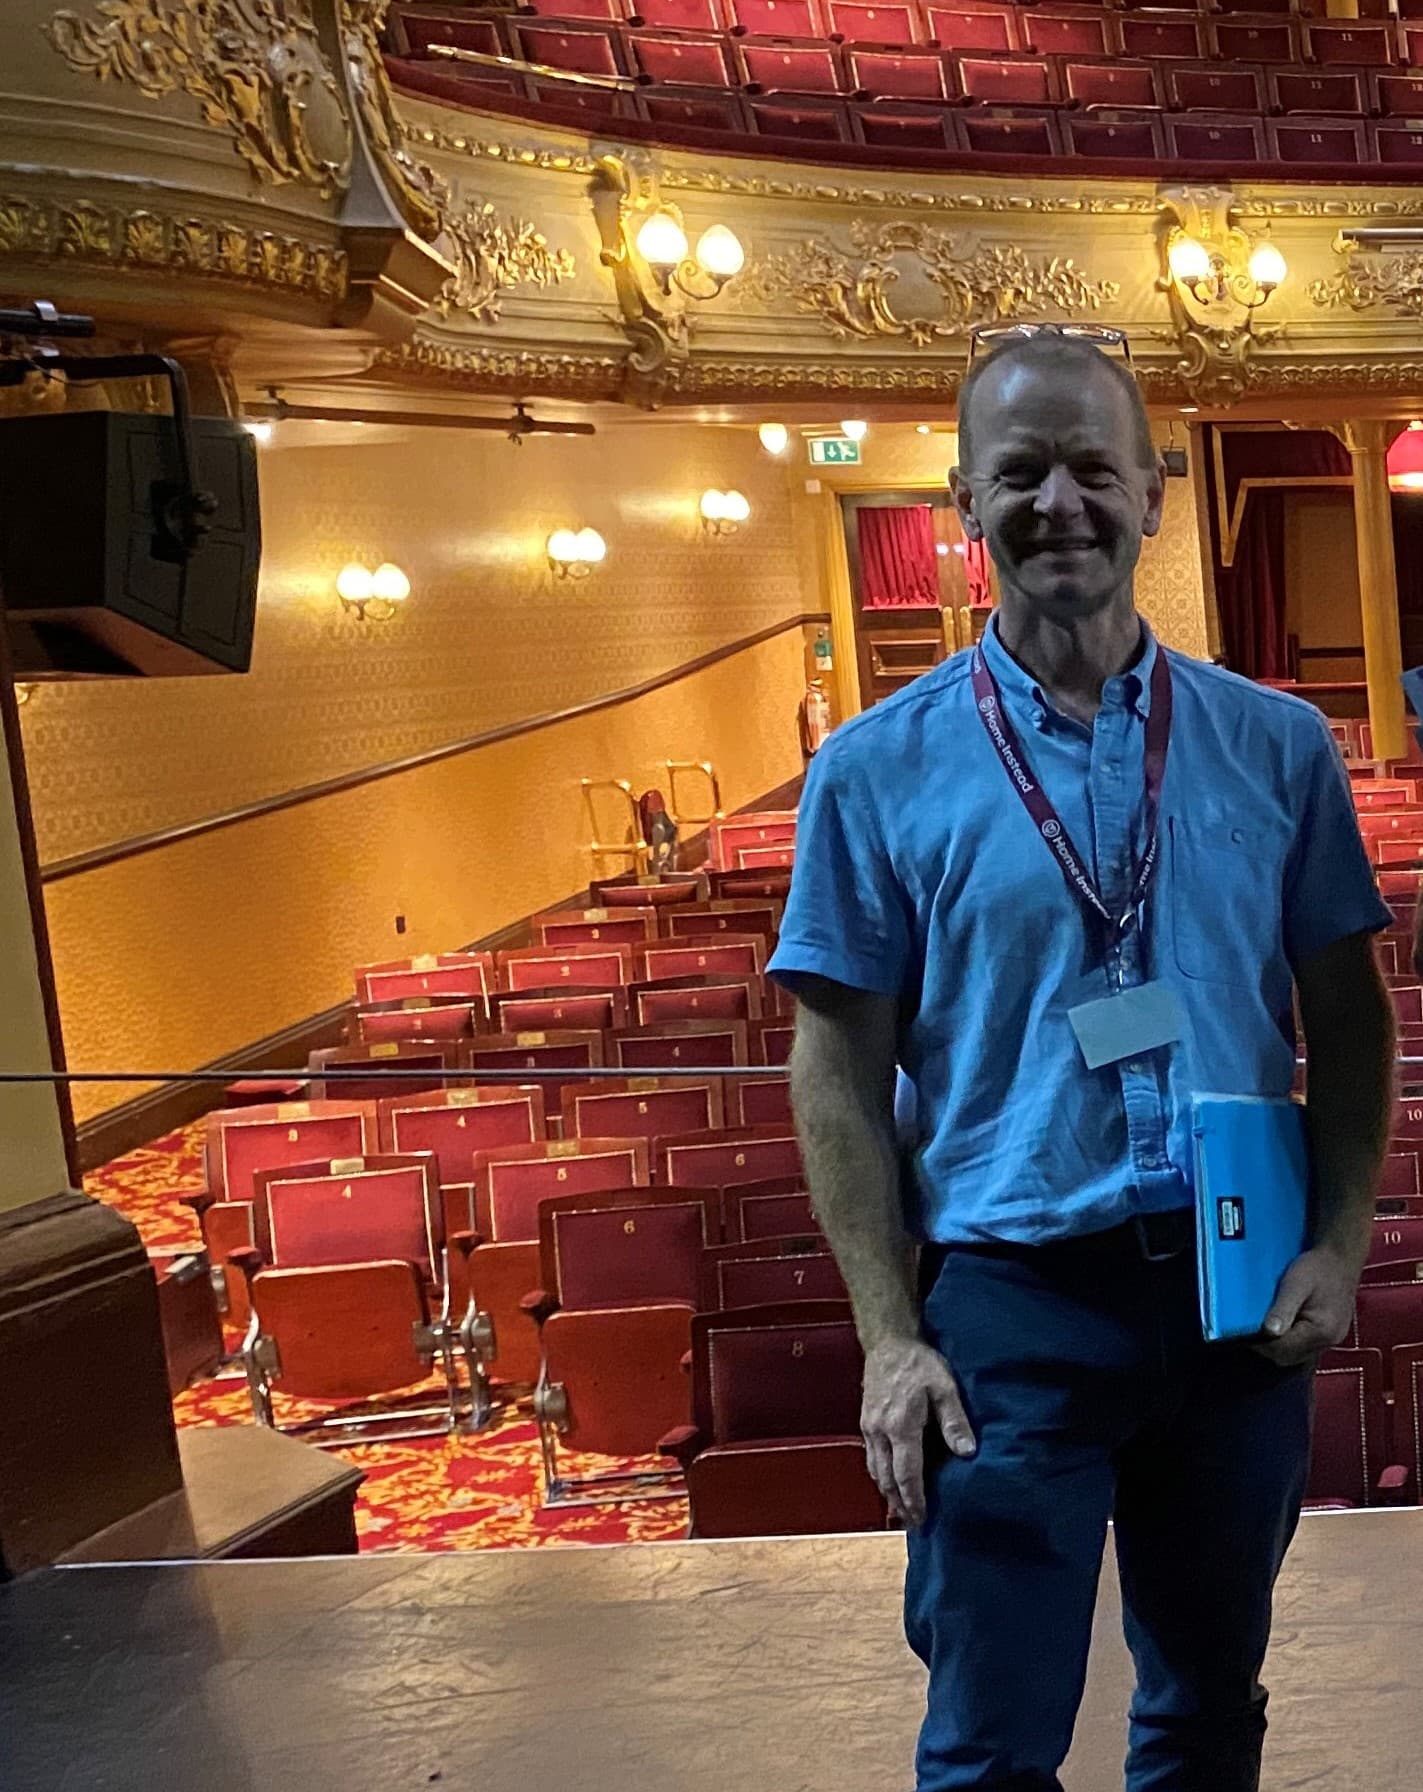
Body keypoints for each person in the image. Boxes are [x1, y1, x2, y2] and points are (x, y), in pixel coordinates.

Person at [767, 331, 1396, 1792]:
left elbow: (1352, 1015)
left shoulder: (1277, 746)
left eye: (1094, 467)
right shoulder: (876, 770)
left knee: (1203, 1709)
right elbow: (837, 1071)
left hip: (1236, 1291)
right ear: (963, 502)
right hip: (1010, 1310)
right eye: (1021, 472)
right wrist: (888, 1337)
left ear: (1156, 494)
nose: (1061, 501)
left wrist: (1342, 1242)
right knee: (990, 1744)